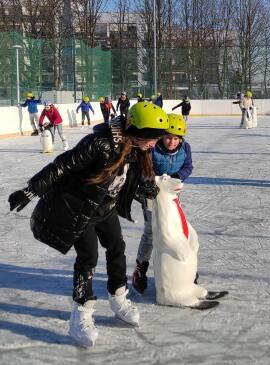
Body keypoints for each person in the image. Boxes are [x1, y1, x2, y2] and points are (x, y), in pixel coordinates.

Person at [8, 102, 169, 347]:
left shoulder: (136, 147)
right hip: (81, 210)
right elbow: (61, 166)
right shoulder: (99, 144)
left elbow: (120, 179)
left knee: (117, 247)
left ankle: (118, 298)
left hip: (106, 208)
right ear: (136, 131)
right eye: (152, 138)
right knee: (88, 258)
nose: (154, 144)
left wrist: (141, 188)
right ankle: (80, 314)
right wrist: (30, 191)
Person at [132, 113, 193, 295]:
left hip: (171, 194)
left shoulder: (185, 148)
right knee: (151, 232)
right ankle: (140, 268)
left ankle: (183, 269)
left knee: (175, 229)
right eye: (167, 137)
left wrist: (176, 178)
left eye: (175, 138)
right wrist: (149, 183)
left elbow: (188, 167)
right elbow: (143, 168)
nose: (171, 142)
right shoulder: (153, 148)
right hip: (151, 193)